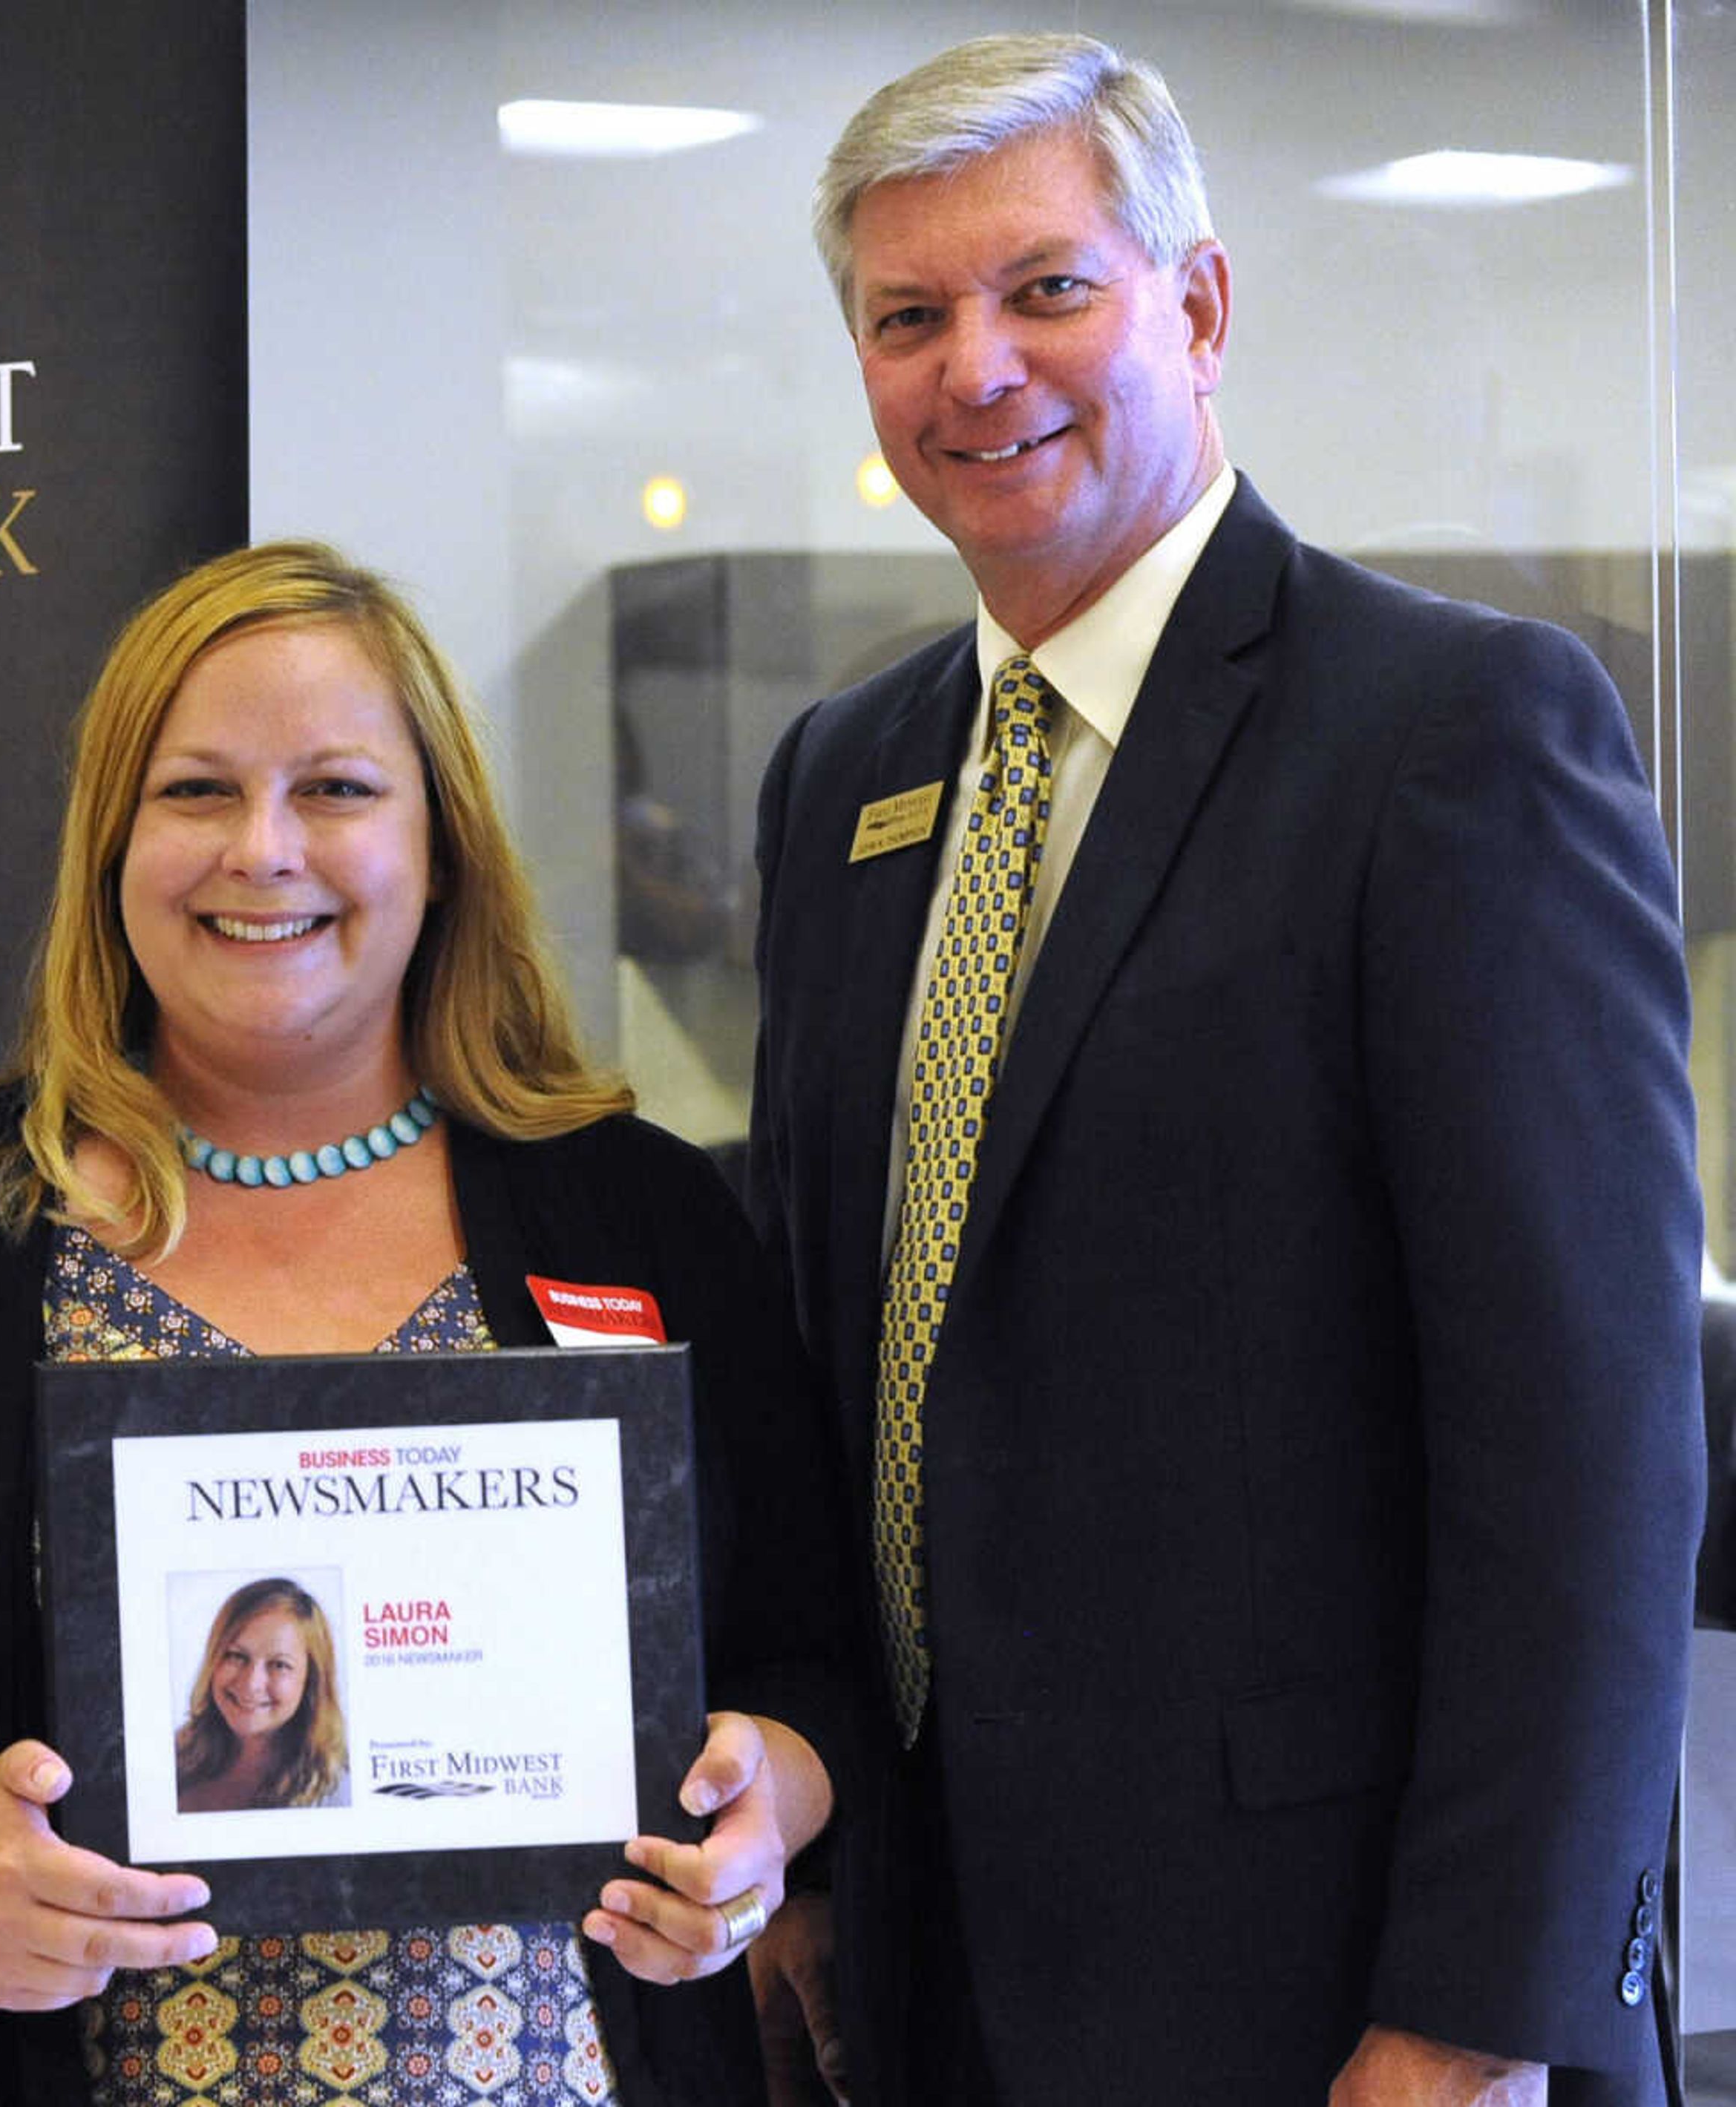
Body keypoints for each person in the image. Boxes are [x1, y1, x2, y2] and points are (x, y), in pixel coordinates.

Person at [744, 33, 1703, 2107]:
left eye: (1047, 289)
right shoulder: (846, 780)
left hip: (1334, 1981)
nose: (974, 366)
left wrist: (1480, 2001)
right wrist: (807, 1849)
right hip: (932, 1958)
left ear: (1199, 303)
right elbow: (831, 1356)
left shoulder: (1452, 735)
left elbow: (1592, 1444)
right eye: (908, 317)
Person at [0, 540, 853, 2104]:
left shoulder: (639, 1216)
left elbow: (816, 1652)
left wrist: (760, 1806)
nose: (264, 850)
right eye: (194, 792)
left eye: (336, 789)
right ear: (111, 843)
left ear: (440, 842)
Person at [172, 1576, 349, 1813]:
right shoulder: (174, 1754)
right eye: (236, 1656)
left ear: (311, 1681)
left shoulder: (340, 1794)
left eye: (279, 1665)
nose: (251, 1684)